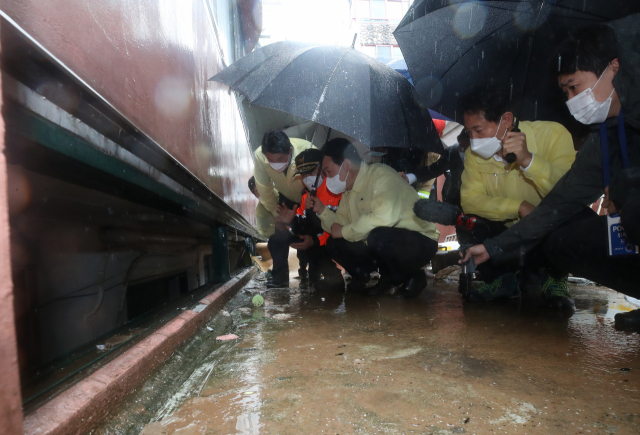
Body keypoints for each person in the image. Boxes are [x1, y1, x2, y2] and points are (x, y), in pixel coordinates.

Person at [460, 18, 640, 328]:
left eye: (574, 88)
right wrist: (493, 248)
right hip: (531, 229)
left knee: (635, 211)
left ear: (613, 68)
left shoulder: (551, 133)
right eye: (565, 92)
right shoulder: (606, 135)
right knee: (562, 240)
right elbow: (563, 199)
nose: (572, 101)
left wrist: (530, 160)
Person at [456, 85, 577, 306]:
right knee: (467, 222)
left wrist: (528, 161)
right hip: (503, 242)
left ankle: (555, 279)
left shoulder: (553, 135)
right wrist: (518, 206)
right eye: (469, 132)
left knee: (571, 218)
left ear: (506, 120)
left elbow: (569, 193)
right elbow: (470, 200)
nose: (473, 140)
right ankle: (501, 280)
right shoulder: (474, 156)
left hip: (545, 236)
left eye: (479, 130)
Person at [307, 138, 440, 299]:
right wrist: (322, 210)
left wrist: (345, 230)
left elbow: (384, 219)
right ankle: (374, 276)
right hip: (387, 241)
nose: (327, 178)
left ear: (346, 165)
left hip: (420, 241)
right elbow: (339, 227)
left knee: (377, 236)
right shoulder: (348, 191)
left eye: (328, 171)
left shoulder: (381, 175)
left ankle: (412, 275)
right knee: (335, 244)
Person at [273, 149, 344, 291]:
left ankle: (337, 277)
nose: (307, 178)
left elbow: (340, 225)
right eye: (304, 175)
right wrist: (289, 222)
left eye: (311, 173)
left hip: (340, 239)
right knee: (288, 239)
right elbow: (302, 227)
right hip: (321, 241)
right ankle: (314, 276)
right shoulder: (306, 195)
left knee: (321, 244)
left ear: (323, 169)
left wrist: (316, 241)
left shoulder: (337, 191)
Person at [253, 130, 315, 288]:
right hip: (285, 200)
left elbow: (321, 183)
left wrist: (311, 205)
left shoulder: (308, 151)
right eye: (270, 160)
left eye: (280, 159)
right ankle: (279, 277)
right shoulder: (260, 157)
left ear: (290, 151)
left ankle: (316, 271)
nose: (275, 164)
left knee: (312, 236)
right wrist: (277, 215)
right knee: (277, 239)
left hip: (309, 198)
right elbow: (265, 190)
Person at [403, 131, 470, 206]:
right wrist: (409, 178)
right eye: (461, 147)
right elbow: (433, 170)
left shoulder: (483, 156)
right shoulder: (452, 152)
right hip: (454, 203)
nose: (464, 151)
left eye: (468, 149)